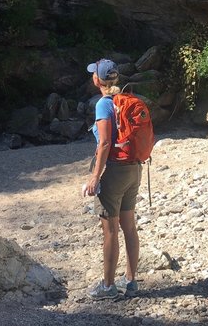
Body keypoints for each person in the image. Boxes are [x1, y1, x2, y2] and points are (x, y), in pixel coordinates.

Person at [84, 58, 142, 300]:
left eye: (93, 75)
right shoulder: (126, 99)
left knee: (110, 231)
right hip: (134, 169)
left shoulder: (103, 104)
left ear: (97, 80)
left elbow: (105, 143)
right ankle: (130, 282)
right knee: (129, 226)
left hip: (115, 172)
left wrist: (94, 177)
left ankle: (108, 287)